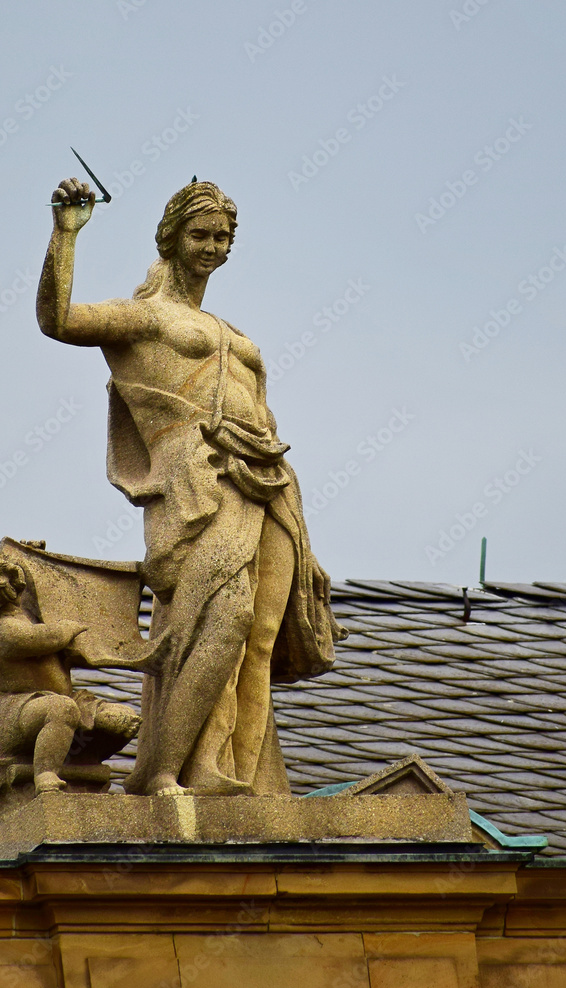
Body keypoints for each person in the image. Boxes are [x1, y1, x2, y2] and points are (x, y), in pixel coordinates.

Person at [36, 177, 346, 797]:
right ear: (172, 238)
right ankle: (168, 770)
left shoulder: (228, 328)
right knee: (216, 621)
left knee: (259, 637)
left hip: (269, 476)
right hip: (200, 475)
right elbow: (60, 320)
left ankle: (241, 776)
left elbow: (264, 410)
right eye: (200, 235)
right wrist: (65, 234)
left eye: (223, 237)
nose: (212, 247)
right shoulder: (146, 316)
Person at [0, 544, 140, 794]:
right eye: (10, 578)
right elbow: (42, 638)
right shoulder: (2, 631)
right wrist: (70, 627)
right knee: (62, 709)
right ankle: (45, 773)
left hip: (60, 703)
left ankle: (80, 762)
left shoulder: (26, 613)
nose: (18, 582)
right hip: (17, 713)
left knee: (121, 720)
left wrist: (30, 557)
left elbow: (39, 596)